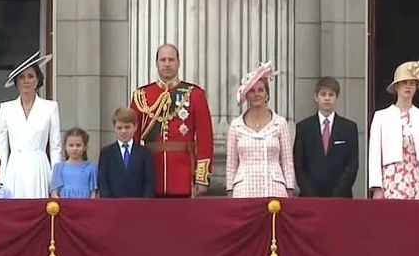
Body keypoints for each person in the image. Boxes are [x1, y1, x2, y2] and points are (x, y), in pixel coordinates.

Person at [130, 44, 214, 197]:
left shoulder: (194, 94)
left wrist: (201, 178)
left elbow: (205, 138)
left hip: (184, 175)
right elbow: (133, 140)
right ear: (156, 63)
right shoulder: (142, 96)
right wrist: (134, 174)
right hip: (151, 174)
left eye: (171, 59)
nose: (167, 63)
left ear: (178, 62)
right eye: (163, 60)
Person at [368, 60, 419, 200]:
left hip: (418, 179)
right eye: (404, 82)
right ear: (396, 87)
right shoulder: (381, 116)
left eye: (412, 83)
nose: (408, 86)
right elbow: (374, 155)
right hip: (391, 179)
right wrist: (377, 187)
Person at [0, 51, 62, 198]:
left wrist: (55, 184)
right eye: (22, 77)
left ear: (38, 80)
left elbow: (55, 148)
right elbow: (1, 148)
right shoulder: (6, 109)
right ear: (16, 81)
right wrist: (0, 181)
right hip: (14, 167)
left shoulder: (50, 107)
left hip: (39, 166)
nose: (26, 81)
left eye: (30, 76)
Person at [225, 62, 296, 198]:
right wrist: (230, 190)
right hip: (244, 189)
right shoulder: (236, 125)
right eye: (252, 91)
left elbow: (287, 161)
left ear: (267, 94)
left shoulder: (280, 123)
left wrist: (290, 188)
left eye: (261, 90)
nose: (256, 94)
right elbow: (231, 163)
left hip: (274, 188)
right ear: (247, 96)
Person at [293, 76, 359, 197]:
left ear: (337, 98)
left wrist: (338, 193)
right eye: (323, 94)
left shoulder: (349, 128)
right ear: (316, 97)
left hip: (341, 198)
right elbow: (299, 165)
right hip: (310, 198)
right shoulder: (303, 127)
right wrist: (310, 193)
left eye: (331, 94)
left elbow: (352, 165)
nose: (327, 98)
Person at [98, 107, 155, 198]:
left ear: (135, 127)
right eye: (119, 128)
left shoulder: (144, 153)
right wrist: (108, 203)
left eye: (127, 127)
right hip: (113, 205)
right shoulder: (106, 153)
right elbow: (103, 181)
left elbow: (149, 182)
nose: (123, 131)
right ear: (114, 128)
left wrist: (145, 203)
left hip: (138, 205)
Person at [50, 127, 98, 199]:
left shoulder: (91, 168)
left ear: (85, 147)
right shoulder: (59, 168)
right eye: (71, 145)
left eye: (78, 145)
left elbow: (93, 194)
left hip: (85, 207)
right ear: (65, 147)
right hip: (65, 207)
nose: (74, 148)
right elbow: (54, 193)